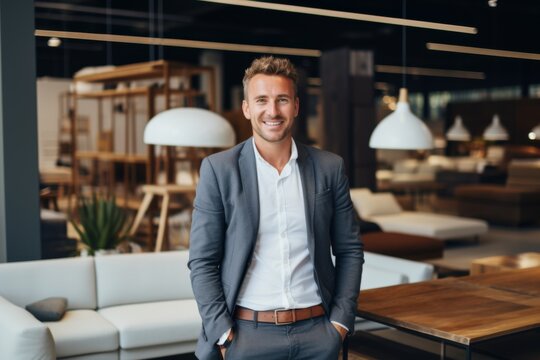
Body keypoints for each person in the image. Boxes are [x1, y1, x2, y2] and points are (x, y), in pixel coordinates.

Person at [189, 56, 363, 360]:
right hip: (247, 336)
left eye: (282, 100)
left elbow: (349, 250)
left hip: (318, 333)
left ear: (296, 106)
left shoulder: (329, 168)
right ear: (246, 108)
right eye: (261, 100)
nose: (272, 111)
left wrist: (340, 323)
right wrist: (223, 334)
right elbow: (202, 261)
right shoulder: (219, 170)